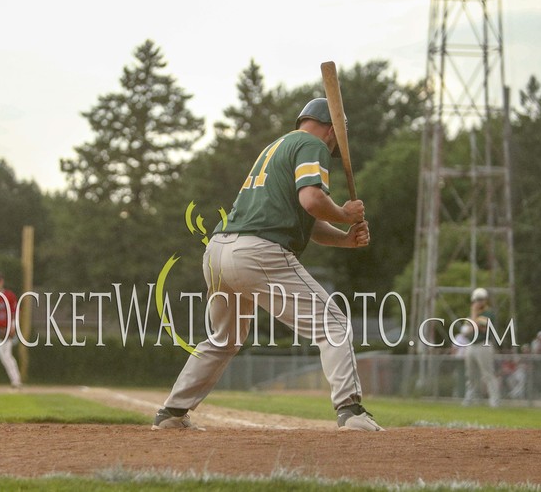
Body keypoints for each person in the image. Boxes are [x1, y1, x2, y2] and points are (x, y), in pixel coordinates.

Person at [153, 98, 383, 431]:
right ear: (332, 130)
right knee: (333, 325)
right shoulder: (312, 144)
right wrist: (346, 214)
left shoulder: (277, 147)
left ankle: (171, 413)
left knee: (223, 339)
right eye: (335, 138)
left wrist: (345, 237)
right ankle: (351, 411)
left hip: (218, 251)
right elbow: (313, 199)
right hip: (258, 252)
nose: (332, 146)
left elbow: (308, 219)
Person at [462, 288, 500, 407]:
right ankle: (470, 398)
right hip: (471, 345)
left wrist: (473, 315)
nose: (479, 302)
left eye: (481, 299)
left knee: (488, 374)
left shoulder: (487, 313)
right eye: (477, 300)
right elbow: (466, 331)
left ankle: (494, 400)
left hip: (483, 344)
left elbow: (477, 327)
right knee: (471, 374)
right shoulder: (474, 315)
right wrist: (473, 321)